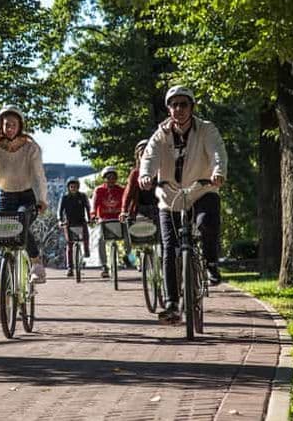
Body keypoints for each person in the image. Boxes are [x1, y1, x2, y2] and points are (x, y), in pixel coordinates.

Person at [138, 85, 228, 321]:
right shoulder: (160, 134)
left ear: (192, 107)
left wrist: (218, 172)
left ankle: (210, 263)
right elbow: (149, 157)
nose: (179, 109)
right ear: (168, 109)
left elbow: (217, 152)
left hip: (201, 189)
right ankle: (172, 303)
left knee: (206, 222)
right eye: (174, 104)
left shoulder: (206, 129)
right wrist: (146, 175)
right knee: (169, 248)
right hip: (170, 197)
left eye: (183, 104)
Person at [0, 106, 48, 285]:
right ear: (1, 125)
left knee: (21, 222)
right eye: (7, 125)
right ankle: (7, 286)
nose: (10, 128)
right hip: (5, 196)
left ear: (20, 126)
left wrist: (41, 199)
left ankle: (36, 263)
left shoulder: (31, 148)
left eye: (14, 125)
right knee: (4, 233)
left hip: (27, 196)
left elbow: (38, 176)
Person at [119, 139, 158, 271]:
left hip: (157, 207)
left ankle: (161, 261)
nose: (144, 155)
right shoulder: (135, 173)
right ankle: (139, 257)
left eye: (147, 152)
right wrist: (124, 210)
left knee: (162, 236)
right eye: (142, 153)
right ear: (138, 156)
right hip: (140, 209)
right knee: (137, 233)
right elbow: (128, 194)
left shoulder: (159, 171)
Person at [91, 166, 125, 278]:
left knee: (128, 236)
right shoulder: (99, 190)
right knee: (100, 239)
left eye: (113, 177)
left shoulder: (121, 190)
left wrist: (126, 213)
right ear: (104, 178)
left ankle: (132, 259)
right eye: (108, 177)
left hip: (118, 219)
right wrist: (93, 215)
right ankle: (104, 265)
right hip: (104, 220)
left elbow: (126, 203)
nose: (111, 180)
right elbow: (94, 205)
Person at [57, 176, 91, 277]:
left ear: (78, 187)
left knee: (85, 235)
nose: (73, 188)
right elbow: (60, 210)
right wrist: (60, 220)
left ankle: (86, 250)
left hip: (81, 221)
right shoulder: (64, 197)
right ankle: (70, 268)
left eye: (75, 186)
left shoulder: (82, 196)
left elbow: (88, 208)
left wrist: (90, 219)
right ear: (68, 187)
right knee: (69, 244)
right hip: (69, 222)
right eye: (71, 186)